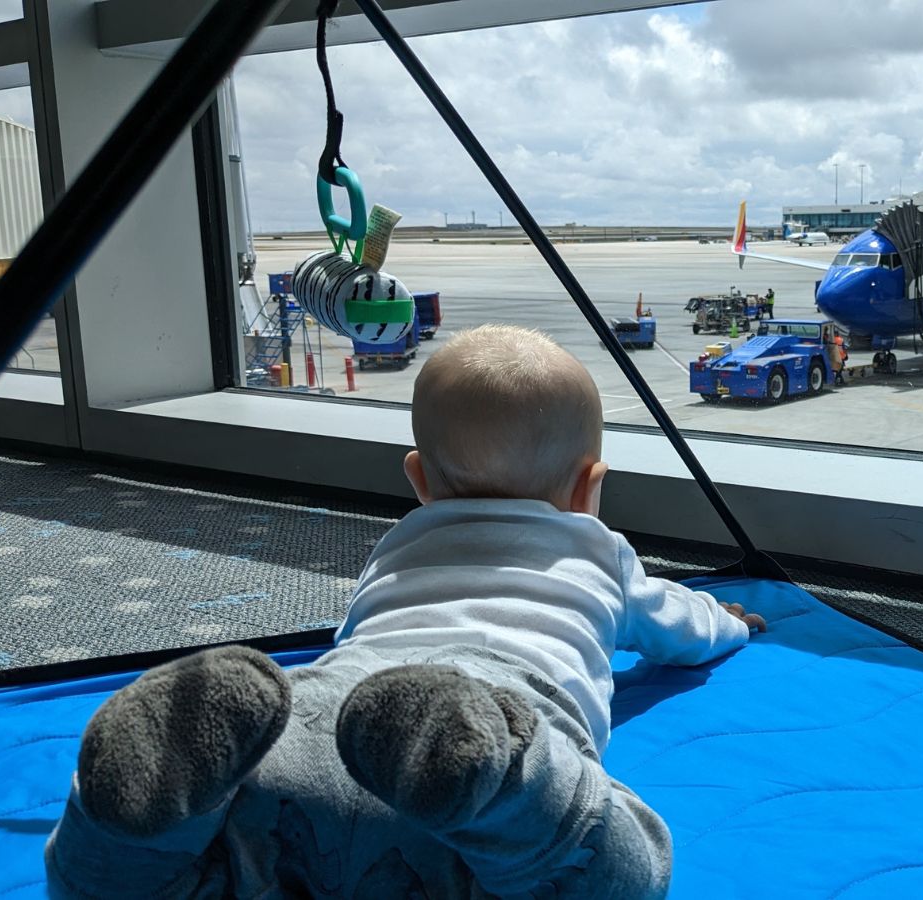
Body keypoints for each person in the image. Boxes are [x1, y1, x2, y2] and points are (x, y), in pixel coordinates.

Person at [46, 325, 767, 899]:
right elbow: (680, 630)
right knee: (621, 869)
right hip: (480, 729)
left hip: (323, 715)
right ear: (590, 487)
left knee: (230, 864)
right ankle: (512, 789)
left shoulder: (395, 548)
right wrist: (730, 620)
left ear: (419, 479)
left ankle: (122, 840)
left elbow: (357, 636)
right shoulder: (597, 552)